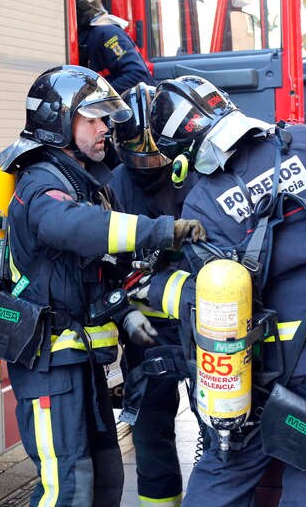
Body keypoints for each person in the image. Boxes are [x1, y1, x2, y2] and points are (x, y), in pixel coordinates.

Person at [142, 75, 306, 506]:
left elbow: (211, 295)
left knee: (225, 470)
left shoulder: (202, 202)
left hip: (258, 373)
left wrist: (154, 286)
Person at [0, 65, 206, 506]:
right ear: (59, 123)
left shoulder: (83, 183)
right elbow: (75, 229)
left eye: (104, 118)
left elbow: (93, 271)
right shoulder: (40, 184)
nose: (104, 128)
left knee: (105, 481)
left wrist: (125, 312)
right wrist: (159, 230)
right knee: (67, 489)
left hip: (81, 365)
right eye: (91, 119)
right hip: (49, 369)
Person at [108, 82, 200, 507]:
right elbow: (104, 267)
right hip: (144, 333)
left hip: (199, 324)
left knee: (221, 430)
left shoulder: (194, 173)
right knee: (150, 433)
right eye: (137, 161)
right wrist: (124, 312)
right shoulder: (111, 187)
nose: (147, 168)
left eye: (154, 159)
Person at [73, 0, 153, 94]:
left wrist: (97, 96)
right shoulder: (86, 35)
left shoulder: (107, 33)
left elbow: (137, 76)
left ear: (79, 7)